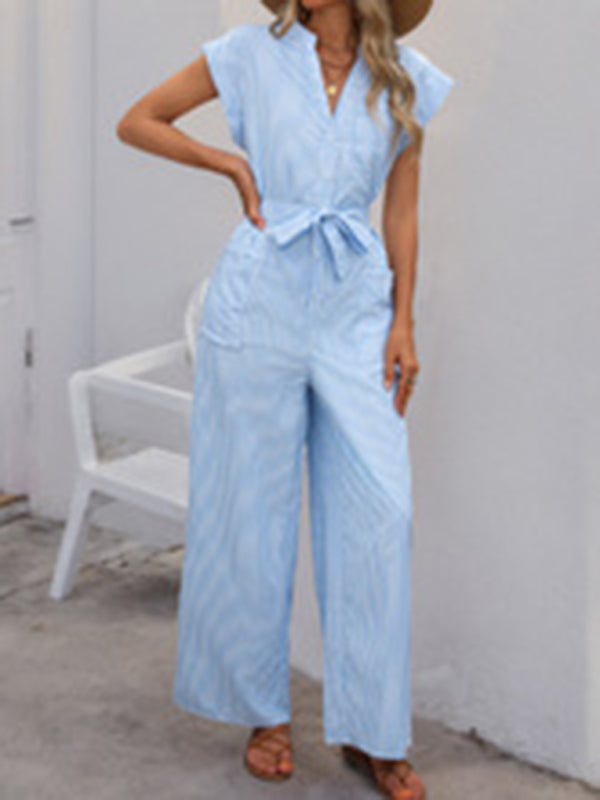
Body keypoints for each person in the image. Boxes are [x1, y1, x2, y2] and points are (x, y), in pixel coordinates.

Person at [116, 1, 454, 796]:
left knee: (380, 516)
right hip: (258, 300)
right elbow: (137, 121)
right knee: (249, 509)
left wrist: (403, 321)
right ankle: (262, 712)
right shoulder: (247, 55)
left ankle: (373, 730)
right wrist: (228, 165)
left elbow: (402, 209)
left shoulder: (404, 79)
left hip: (355, 309)